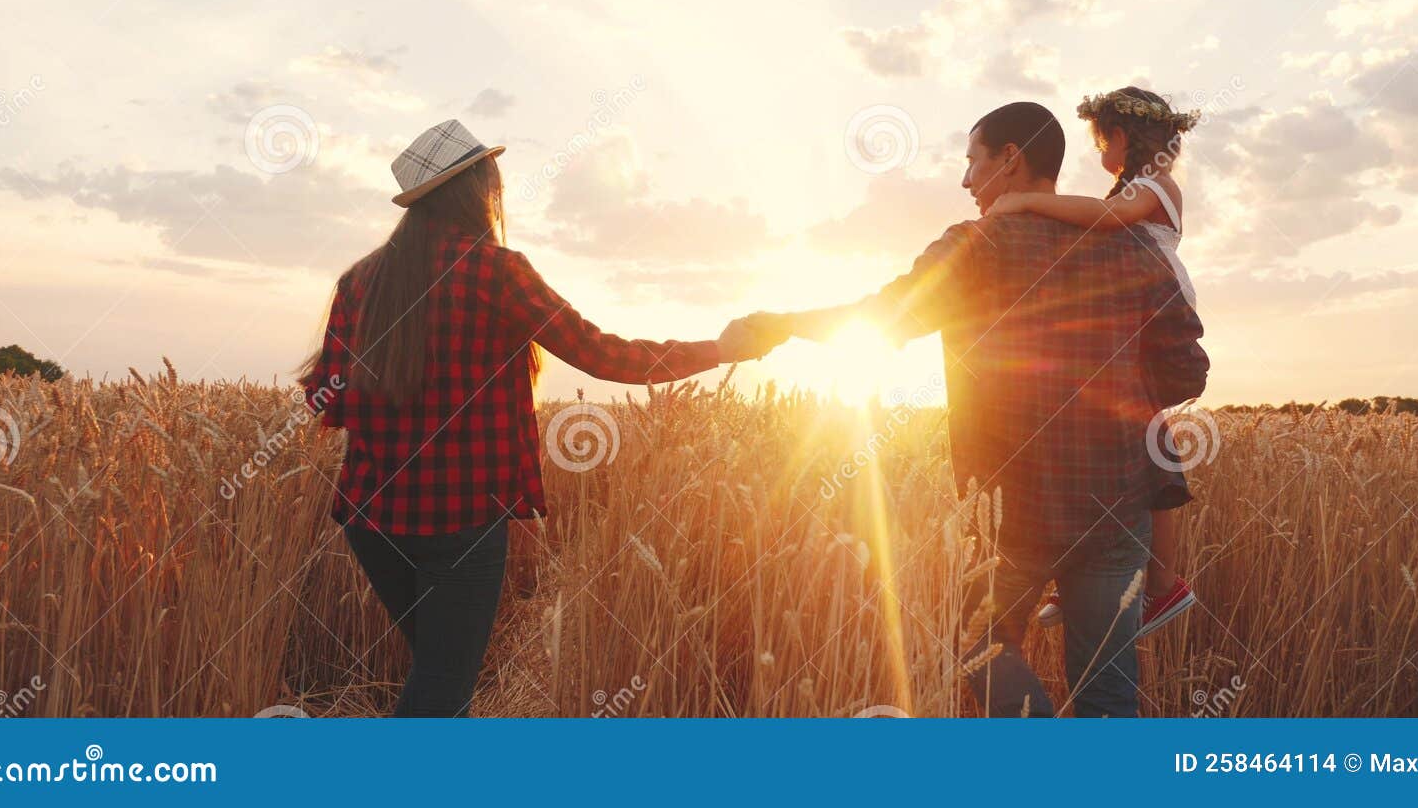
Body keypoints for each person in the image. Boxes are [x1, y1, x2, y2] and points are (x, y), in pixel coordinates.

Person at [742, 101, 1208, 716]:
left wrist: (779, 325)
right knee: (1109, 692)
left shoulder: (976, 245)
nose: (965, 181)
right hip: (1117, 505)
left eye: (972, 162)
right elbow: (1188, 372)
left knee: (975, 644)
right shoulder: (1134, 250)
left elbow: (886, 317)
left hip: (1010, 512)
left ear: (1010, 160)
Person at [297, 119, 774, 717]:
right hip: (460, 524)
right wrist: (719, 350)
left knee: (440, 677)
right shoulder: (497, 272)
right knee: (444, 689)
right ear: (478, 190)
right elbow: (603, 354)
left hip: (371, 520)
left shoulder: (360, 281)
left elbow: (326, 401)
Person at [985, 87, 1200, 637]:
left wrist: (1025, 202)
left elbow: (1109, 217)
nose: (1098, 150)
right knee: (1136, 437)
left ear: (1121, 139)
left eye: (1100, 140)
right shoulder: (1132, 188)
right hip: (1138, 299)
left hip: (1157, 303)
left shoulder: (1153, 188)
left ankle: (1163, 583)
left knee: (1148, 438)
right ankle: (1095, 573)